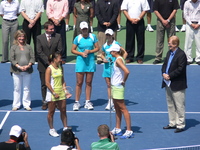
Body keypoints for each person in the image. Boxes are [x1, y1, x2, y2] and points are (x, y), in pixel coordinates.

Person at [107, 44, 134, 139]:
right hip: (114, 86)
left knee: (123, 108)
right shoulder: (121, 58)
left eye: (111, 51)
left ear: (115, 52)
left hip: (118, 87)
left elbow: (127, 71)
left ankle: (129, 130)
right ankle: (118, 128)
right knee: (117, 108)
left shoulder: (118, 60)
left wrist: (123, 81)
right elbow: (125, 52)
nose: (110, 53)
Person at [71, 21, 99, 111]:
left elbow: (97, 48)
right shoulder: (77, 38)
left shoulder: (93, 37)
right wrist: (81, 53)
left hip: (90, 62)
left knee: (88, 82)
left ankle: (87, 101)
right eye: (83, 29)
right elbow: (73, 50)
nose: (84, 31)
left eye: (86, 29)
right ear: (80, 30)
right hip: (81, 62)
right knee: (79, 83)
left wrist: (89, 51)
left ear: (88, 29)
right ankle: (77, 102)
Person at [162, 36, 187, 133]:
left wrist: (170, 76)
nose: (169, 45)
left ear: (175, 44)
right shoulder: (169, 53)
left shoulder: (181, 55)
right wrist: (164, 73)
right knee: (170, 104)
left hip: (177, 84)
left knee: (179, 105)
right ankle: (173, 122)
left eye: (170, 44)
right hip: (168, 83)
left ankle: (180, 125)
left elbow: (181, 69)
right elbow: (165, 65)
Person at [37, 21, 62, 110]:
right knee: (44, 84)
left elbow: (59, 50)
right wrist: (48, 62)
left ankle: (56, 101)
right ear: (46, 29)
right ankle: (45, 101)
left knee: (57, 83)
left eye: (53, 28)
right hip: (43, 65)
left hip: (56, 65)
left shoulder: (58, 36)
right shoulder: (39, 38)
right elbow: (39, 52)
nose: (53, 30)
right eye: (51, 29)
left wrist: (54, 61)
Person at [45, 52, 72, 137]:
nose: (61, 60)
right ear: (54, 59)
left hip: (61, 92)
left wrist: (65, 91)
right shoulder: (49, 69)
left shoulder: (61, 67)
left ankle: (65, 128)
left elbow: (62, 80)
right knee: (51, 112)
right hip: (52, 93)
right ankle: (52, 129)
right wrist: (54, 93)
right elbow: (47, 83)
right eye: (59, 58)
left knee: (63, 110)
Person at [100, 28, 127, 110]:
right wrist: (103, 58)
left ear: (112, 35)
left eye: (109, 35)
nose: (108, 36)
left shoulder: (116, 44)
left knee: (114, 84)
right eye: (107, 35)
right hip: (107, 68)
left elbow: (125, 52)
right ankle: (110, 102)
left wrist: (121, 61)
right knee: (108, 85)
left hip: (114, 69)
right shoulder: (104, 45)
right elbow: (102, 54)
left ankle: (115, 102)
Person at [10, 30, 35, 111]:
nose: (21, 38)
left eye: (23, 36)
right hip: (16, 71)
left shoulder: (28, 47)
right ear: (17, 37)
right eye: (20, 36)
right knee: (17, 88)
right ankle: (16, 105)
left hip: (27, 71)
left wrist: (28, 65)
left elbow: (32, 57)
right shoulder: (13, 47)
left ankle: (26, 104)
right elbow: (12, 59)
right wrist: (19, 66)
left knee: (26, 88)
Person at [152, 0, 179, 64]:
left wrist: (168, 20)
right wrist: (163, 20)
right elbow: (155, 10)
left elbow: (175, 10)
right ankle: (158, 57)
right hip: (160, 21)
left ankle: (172, 56)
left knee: (172, 40)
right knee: (159, 40)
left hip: (171, 21)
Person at [183, 0, 200, 65]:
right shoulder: (187, 2)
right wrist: (191, 24)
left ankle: (198, 59)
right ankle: (188, 59)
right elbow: (185, 14)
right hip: (189, 24)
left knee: (199, 43)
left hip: (198, 25)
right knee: (188, 42)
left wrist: (198, 24)